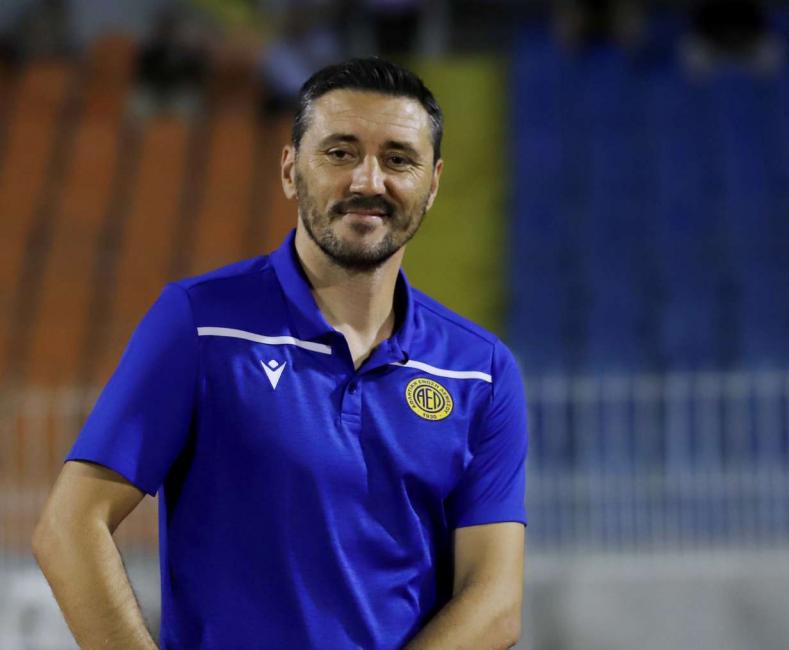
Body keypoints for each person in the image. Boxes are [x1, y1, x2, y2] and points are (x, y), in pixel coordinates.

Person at [32, 57, 527, 650]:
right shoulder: (200, 323)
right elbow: (69, 528)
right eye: (340, 153)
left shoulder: (481, 370)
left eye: (398, 159)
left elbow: (494, 601)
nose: (369, 181)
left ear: (434, 183)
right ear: (291, 170)